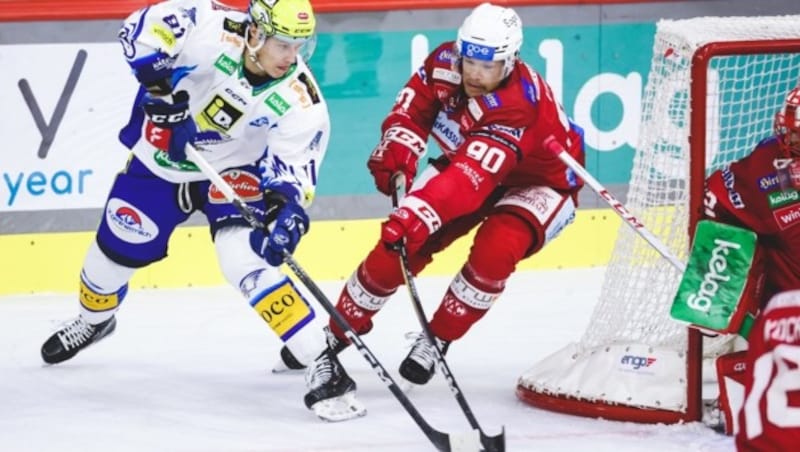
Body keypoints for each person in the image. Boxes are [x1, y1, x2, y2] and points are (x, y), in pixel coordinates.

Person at [294, 2, 586, 421]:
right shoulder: (444, 63)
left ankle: (438, 339)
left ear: (512, 60)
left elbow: (466, 183)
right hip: (474, 162)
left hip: (539, 181)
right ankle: (336, 334)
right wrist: (398, 151)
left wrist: (413, 215)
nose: (475, 75)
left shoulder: (516, 104)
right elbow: (414, 112)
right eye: (470, 61)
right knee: (398, 247)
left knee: (495, 249)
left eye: (489, 66)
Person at [39, 0, 330, 373]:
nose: (292, 57)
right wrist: (162, 91)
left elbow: (294, 168)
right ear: (255, 32)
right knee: (108, 262)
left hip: (232, 172)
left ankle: (317, 357)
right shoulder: (209, 24)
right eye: (283, 44)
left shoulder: (301, 99)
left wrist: (285, 208)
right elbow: (139, 30)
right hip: (161, 164)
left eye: (300, 46)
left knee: (244, 257)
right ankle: (93, 321)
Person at [700, 86, 800, 450]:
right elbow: (715, 198)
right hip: (788, 314)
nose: (791, 142)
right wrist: (717, 281)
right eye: (793, 133)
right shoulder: (772, 173)